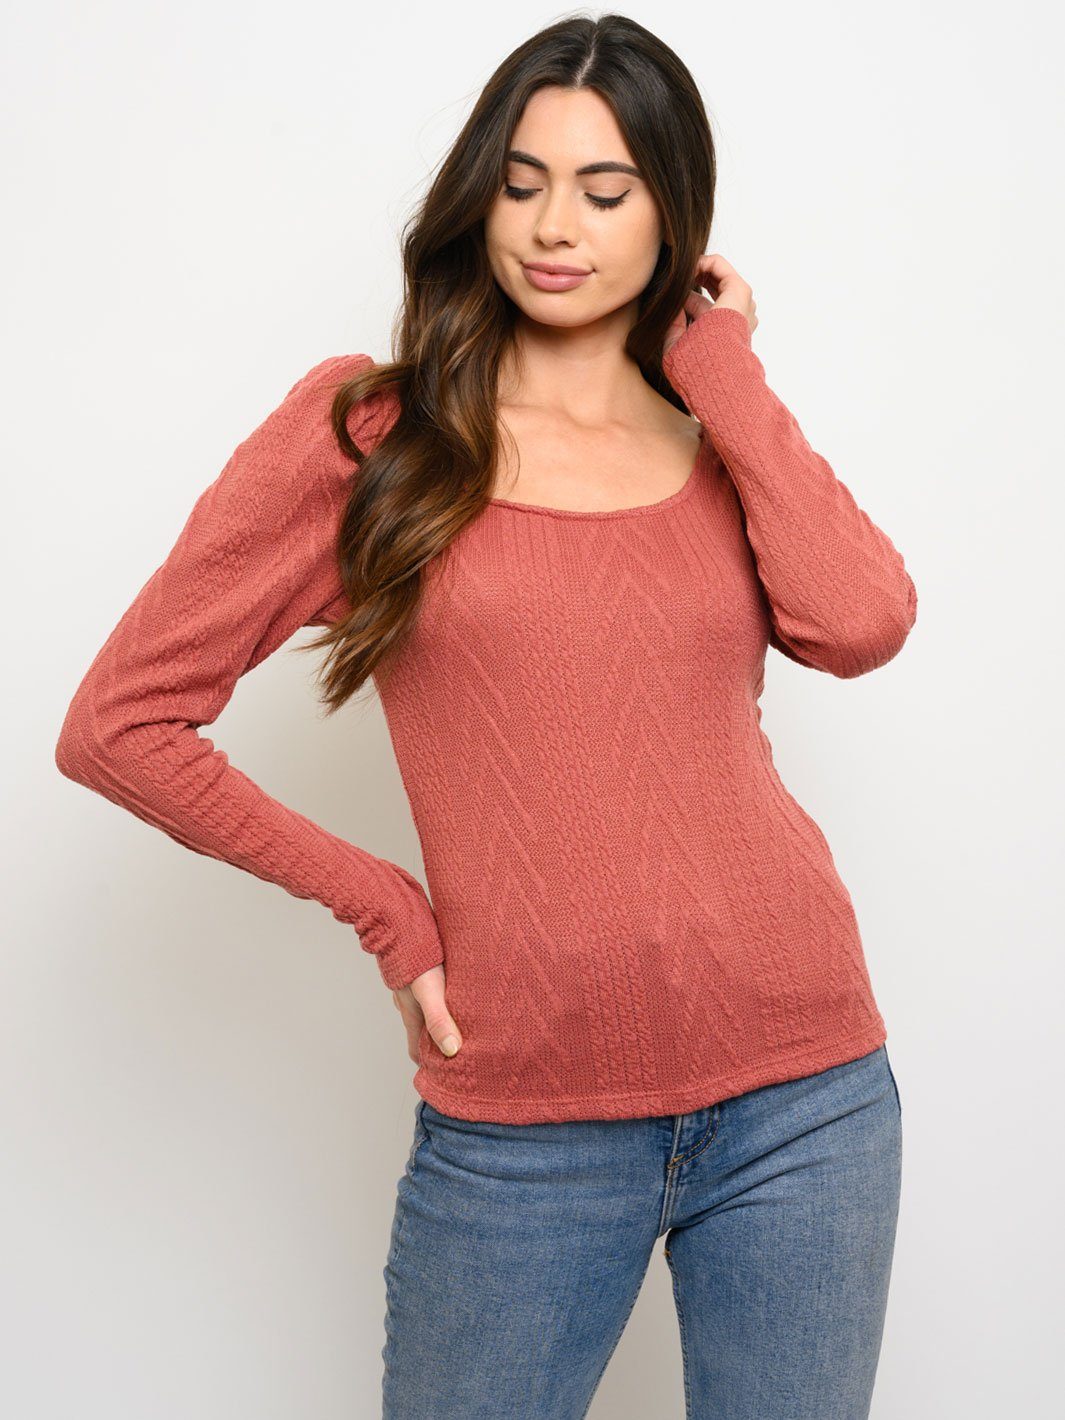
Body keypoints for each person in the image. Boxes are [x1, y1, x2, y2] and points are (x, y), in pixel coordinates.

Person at [55, 14, 916, 1419]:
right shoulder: (374, 439)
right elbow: (119, 723)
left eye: (604, 189)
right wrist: (386, 909)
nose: (552, 226)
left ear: (674, 215)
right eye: (521, 184)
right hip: (523, 1125)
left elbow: (861, 622)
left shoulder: (714, 439)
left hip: (805, 1095)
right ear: (479, 199)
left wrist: (727, 371)